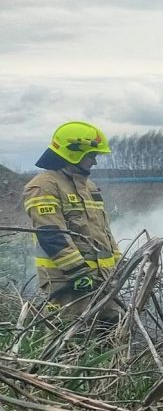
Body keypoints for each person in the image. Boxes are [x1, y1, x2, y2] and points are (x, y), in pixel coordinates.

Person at [20, 121, 122, 317]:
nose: (95, 161)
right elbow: (51, 234)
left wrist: (118, 265)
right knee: (72, 339)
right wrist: (78, 272)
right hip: (68, 283)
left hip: (103, 280)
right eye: (92, 155)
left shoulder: (89, 187)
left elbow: (104, 232)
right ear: (74, 152)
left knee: (109, 334)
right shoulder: (43, 186)